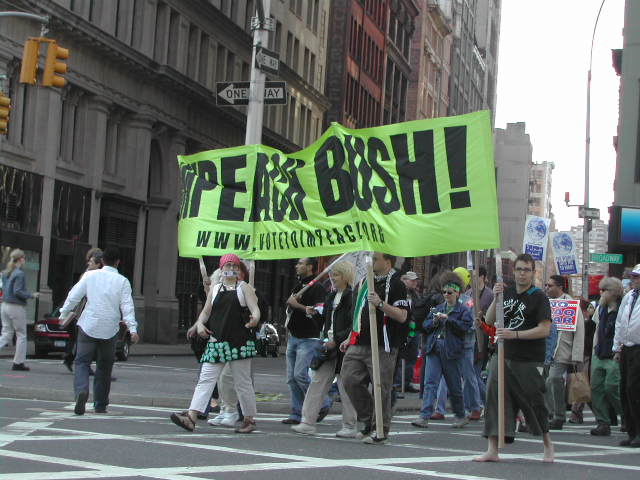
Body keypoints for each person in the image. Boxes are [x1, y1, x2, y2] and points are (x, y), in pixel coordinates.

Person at [474, 253, 554, 463]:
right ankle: (492, 448)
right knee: (494, 397)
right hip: (502, 354)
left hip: (528, 358)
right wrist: (497, 298)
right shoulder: (506, 292)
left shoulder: (539, 297)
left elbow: (544, 329)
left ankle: (547, 444)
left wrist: (515, 334)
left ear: (533, 273)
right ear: (513, 271)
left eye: (526, 270)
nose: (522, 274)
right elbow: (489, 321)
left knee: (534, 401)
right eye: (519, 269)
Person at [171, 254, 260, 433]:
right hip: (217, 341)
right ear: (221, 268)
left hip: (239, 342)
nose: (231, 268)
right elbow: (205, 312)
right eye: (227, 265)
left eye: (234, 265)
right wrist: (200, 324)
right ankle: (191, 416)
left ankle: (249, 419)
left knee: (242, 382)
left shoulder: (245, 288)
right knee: (205, 379)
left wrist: (254, 319)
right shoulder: (215, 288)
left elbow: (255, 308)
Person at [59, 246, 139, 415]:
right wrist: (132, 329)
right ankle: (100, 404)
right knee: (105, 366)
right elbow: (127, 306)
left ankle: (81, 390)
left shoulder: (90, 275)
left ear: (102, 261)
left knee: (81, 361)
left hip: (89, 324)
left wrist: (63, 313)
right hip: (110, 328)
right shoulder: (123, 282)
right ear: (118, 262)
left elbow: (74, 295)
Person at [340, 252, 410, 444]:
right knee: (348, 379)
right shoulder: (364, 282)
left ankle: (380, 428)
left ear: (388, 262)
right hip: (359, 341)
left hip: (383, 345)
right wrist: (349, 336)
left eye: (376, 259)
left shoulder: (397, 284)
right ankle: (367, 417)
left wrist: (380, 304)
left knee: (381, 388)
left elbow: (403, 316)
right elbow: (358, 312)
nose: (370, 261)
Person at [292, 260, 357, 437]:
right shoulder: (331, 296)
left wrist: (336, 340)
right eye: (332, 274)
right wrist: (312, 314)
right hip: (329, 346)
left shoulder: (352, 297)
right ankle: (308, 421)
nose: (332, 278)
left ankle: (350, 425)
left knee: (346, 387)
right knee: (318, 383)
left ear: (344, 276)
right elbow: (325, 322)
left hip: (343, 348)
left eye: (336, 275)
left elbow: (353, 324)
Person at [412, 271, 473, 429]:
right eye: (444, 292)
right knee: (430, 382)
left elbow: (465, 327)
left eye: (450, 292)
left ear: (457, 292)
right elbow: (424, 326)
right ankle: (424, 416)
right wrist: (434, 321)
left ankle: (460, 415)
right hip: (434, 348)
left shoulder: (463, 310)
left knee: (454, 386)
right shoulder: (437, 308)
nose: (446, 295)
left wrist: (449, 320)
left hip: (451, 351)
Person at [282, 258, 329, 425]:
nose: (296, 266)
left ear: (309, 267)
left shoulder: (317, 288)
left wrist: (298, 305)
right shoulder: (298, 286)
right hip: (294, 336)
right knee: (291, 378)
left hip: (309, 337)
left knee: (300, 375)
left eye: (300, 264)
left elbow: (318, 311)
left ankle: (323, 403)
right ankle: (296, 412)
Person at [544, 275, 585, 430]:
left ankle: (559, 416)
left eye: (550, 285)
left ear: (560, 287)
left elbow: (579, 331)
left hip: (563, 350)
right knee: (544, 383)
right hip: (546, 349)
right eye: (546, 285)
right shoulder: (545, 303)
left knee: (553, 379)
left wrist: (576, 356)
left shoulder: (571, 304)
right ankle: (549, 413)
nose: (547, 288)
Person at [589, 277, 624, 436]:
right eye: (601, 290)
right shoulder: (600, 309)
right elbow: (597, 330)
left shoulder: (623, 308)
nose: (601, 293)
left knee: (612, 388)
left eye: (605, 290)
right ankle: (603, 422)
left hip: (614, 355)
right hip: (599, 353)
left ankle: (626, 416)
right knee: (596, 389)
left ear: (614, 292)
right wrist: (594, 350)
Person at [62, 248, 104, 373]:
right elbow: (78, 294)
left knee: (79, 339)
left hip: (82, 312)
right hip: (83, 312)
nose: (89, 263)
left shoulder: (90, 274)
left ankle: (71, 358)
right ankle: (82, 364)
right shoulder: (89, 275)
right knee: (86, 339)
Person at [613, 264, 640, 448]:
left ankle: (638, 432)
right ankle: (631, 431)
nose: (633, 279)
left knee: (635, 390)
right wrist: (617, 347)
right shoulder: (629, 296)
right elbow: (620, 322)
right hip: (627, 348)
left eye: (636, 276)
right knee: (625, 389)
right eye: (633, 276)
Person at [0, 249, 40, 371]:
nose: (24, 260)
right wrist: (32, 295)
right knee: (21, 334)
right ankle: (18, 362)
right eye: (24, 258)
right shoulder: (20, 274)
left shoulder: (7, 272)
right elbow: (18, 291)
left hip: (5, 305)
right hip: (16, 307)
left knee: (6, 333)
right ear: (21, 259)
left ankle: (18, 362)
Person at [394, 271, 422, 394]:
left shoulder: (416, 295)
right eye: (412, 280)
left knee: (411, 355)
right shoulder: (399, 293)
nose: (415, 282)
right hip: (403, 328)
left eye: (416, 280)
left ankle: (406, 382)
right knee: (401, 356)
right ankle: (398, 383)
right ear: (404, 280)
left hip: (414, 328)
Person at [569, 299, 596, 424]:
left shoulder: (591, 324)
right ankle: (576, 413)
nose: (590, 310)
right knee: (581, 383)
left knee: (583, 383)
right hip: (582, 355)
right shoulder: (581, 323)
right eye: (588, 307)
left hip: (588, 355)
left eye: (591, 307)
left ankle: (576, 412)